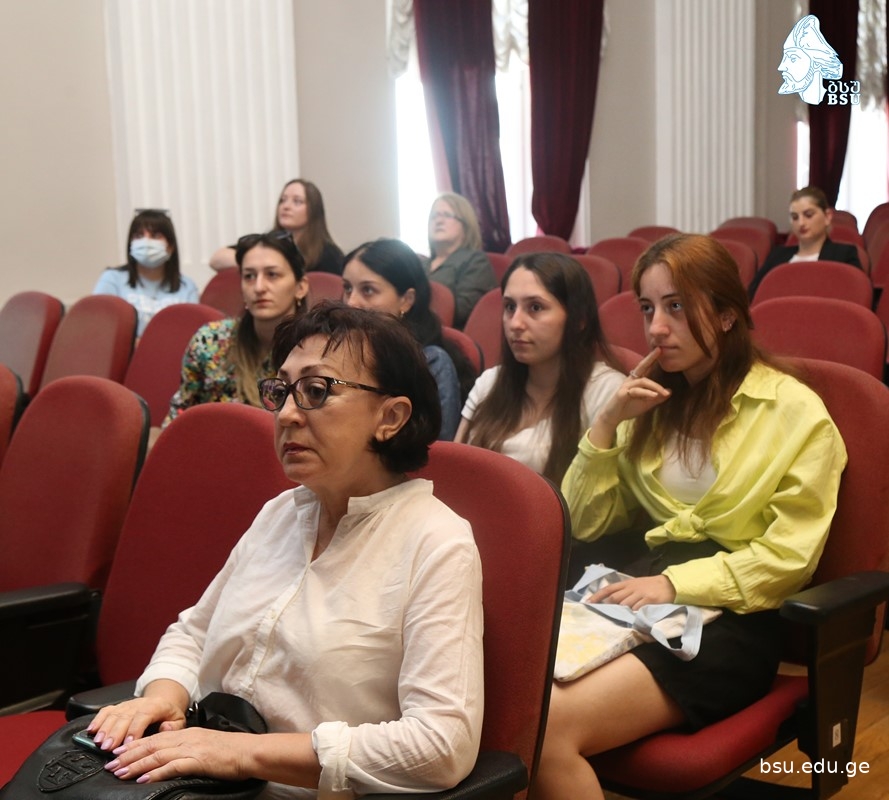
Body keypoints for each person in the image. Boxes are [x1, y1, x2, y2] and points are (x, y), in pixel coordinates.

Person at [86, 303, 484, 798]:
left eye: (317, 391)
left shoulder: (437, 542)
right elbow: (194, 632)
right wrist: (164, 696)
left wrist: (243, 753)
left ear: (391, 417)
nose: (288, 414)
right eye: (282, 391)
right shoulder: (281, 513)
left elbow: (441, 745)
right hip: (198, 775)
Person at [531, 234, 847, 800]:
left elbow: (789, 559)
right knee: (509, 695)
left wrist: (674, 583)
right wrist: (605, 425)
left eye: (676, 306)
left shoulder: (796, 413)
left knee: (544, 726)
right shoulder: (653, 406)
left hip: (734, 621)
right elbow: (582, 523)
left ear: (726, 315)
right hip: (642, 597)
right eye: (647, 308)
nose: (655, 328)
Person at [455, 253, 624, 483]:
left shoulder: (607, 391)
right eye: (509, 307)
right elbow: (454, 472)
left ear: (579, 320)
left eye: (535, 307)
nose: (515, 323)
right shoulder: (490, 381)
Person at [163, 231, 308, 426]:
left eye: (272, 275)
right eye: (249, 276)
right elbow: (179, 417)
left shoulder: (316, 350)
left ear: (300, 287)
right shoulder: (210, 341)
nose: (259, 287)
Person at [343, 237, 474, 441]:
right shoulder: (336, 351)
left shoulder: (431, 363)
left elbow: (439, 452)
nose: (351, 303)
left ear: (406, 300)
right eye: (347, 288)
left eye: (368, 290)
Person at [93, 209, 199, 337]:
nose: (146, 242)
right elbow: (100, 329)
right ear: (131, 244)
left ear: (170, 247)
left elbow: (191, 334)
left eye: (155, 236)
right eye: (139, 236)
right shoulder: (112, 279)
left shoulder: (187, 287)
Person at [209, 179, 345, 274]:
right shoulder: (267, 242)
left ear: (313, 210)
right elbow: (217, 259)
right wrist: (260, 262)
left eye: (297, 201)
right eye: (282, 200)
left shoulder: (329, 255)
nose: (286, 206)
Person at [748, 186, 862, 297]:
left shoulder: (844, 254)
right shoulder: (777, 255)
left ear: (827, 217)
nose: (801, 223)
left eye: (808, 215)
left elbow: (855, 295)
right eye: (795, 217)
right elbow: (753, 295)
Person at [421, 193, 497, 329]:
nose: (439, 221)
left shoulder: (476, 262)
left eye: (447, 215)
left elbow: (462, 311)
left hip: (446, 336)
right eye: (434, 216)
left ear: (465, 225)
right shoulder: (420, 264)